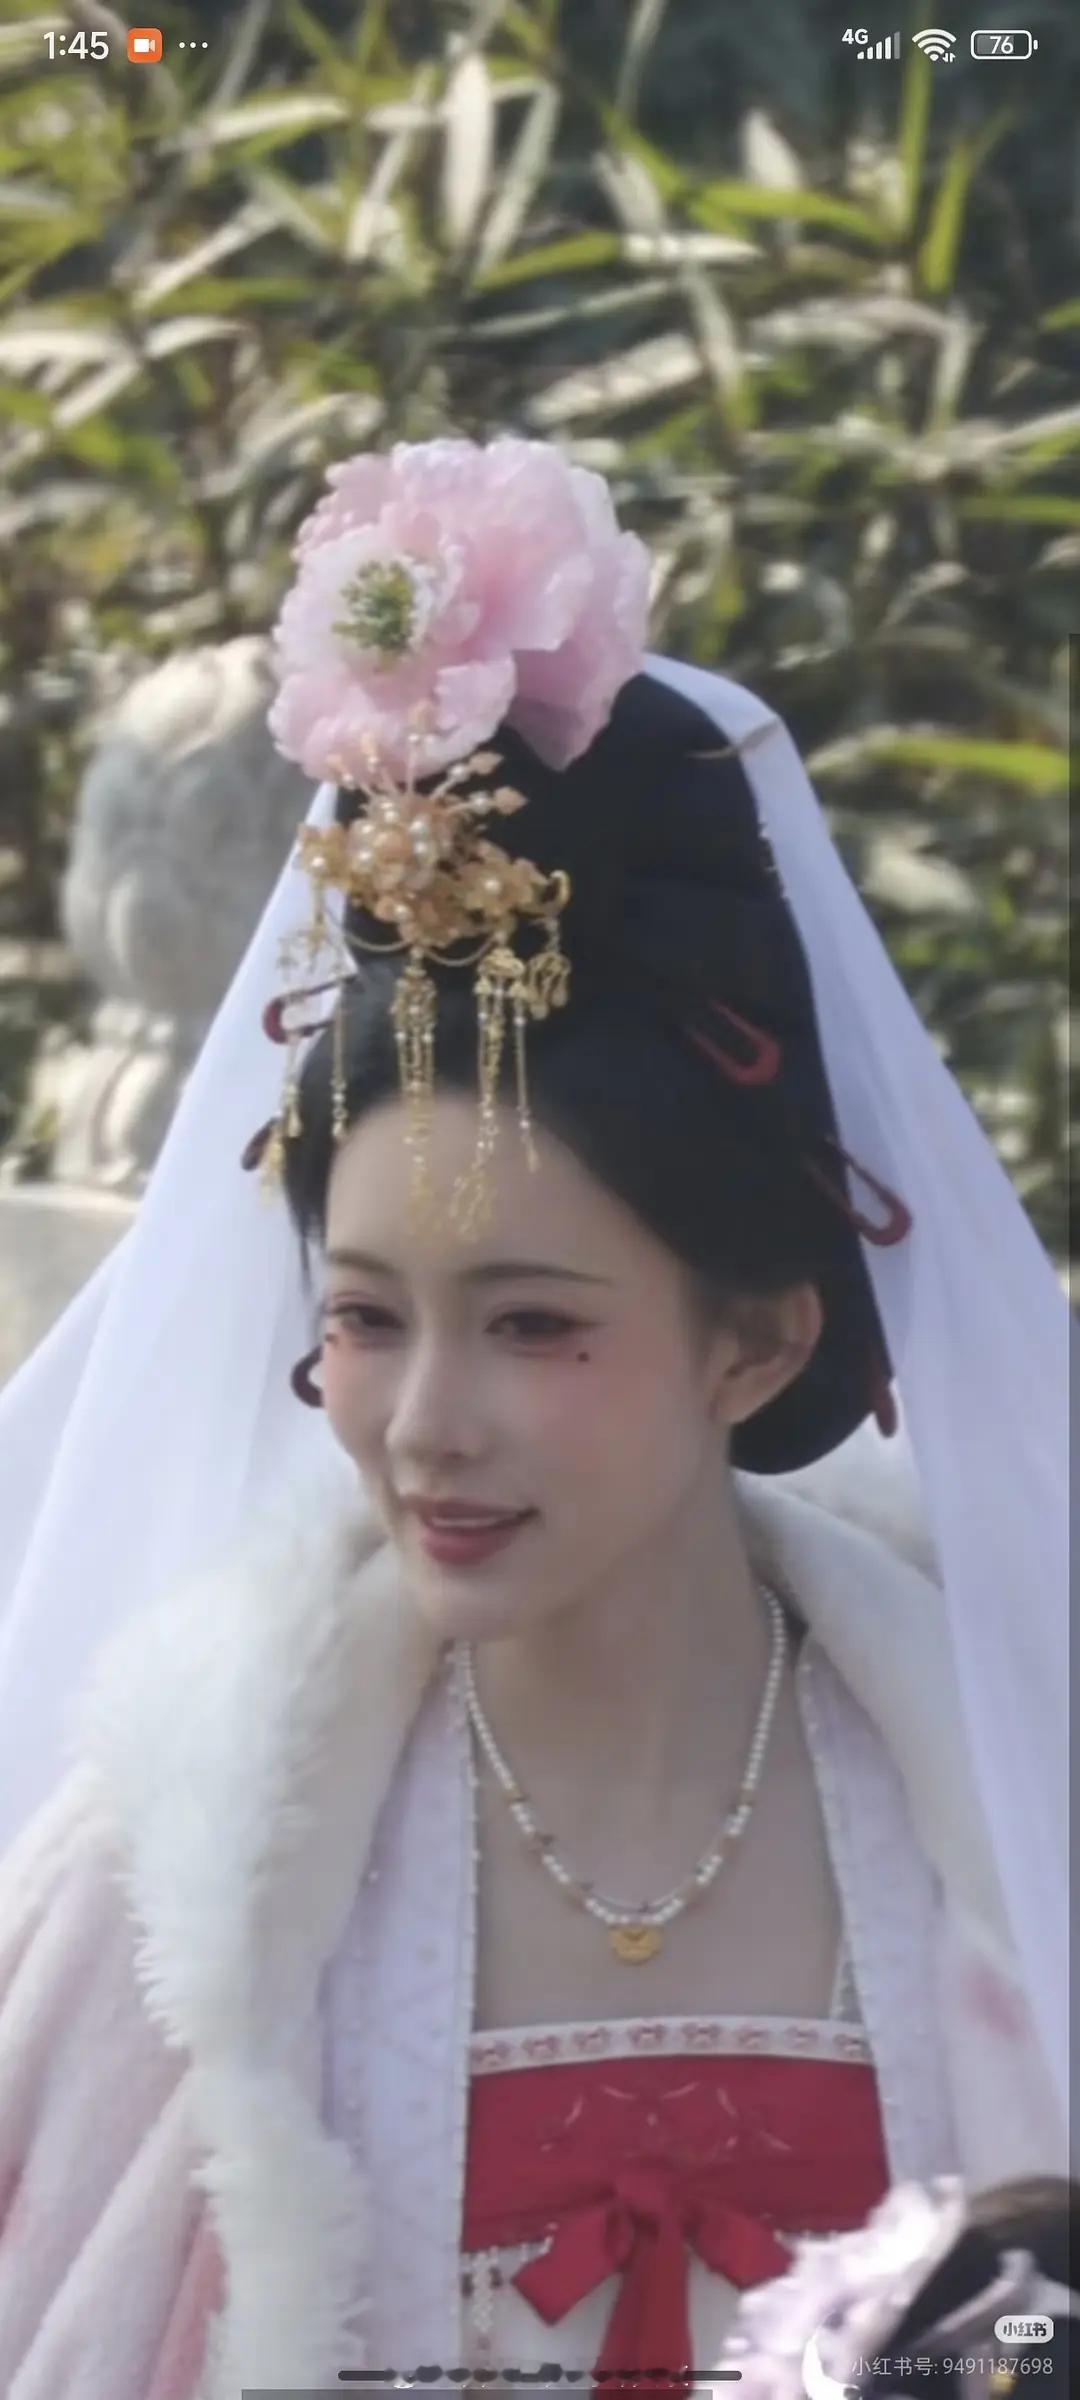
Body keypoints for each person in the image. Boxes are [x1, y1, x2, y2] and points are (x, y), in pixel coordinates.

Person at [0, 438, 1068, 2400]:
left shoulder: (1014, 1801)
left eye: (532, 1326)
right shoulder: (172, 1877)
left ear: (757, 1341)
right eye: (365, 1319)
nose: (426, 1425)